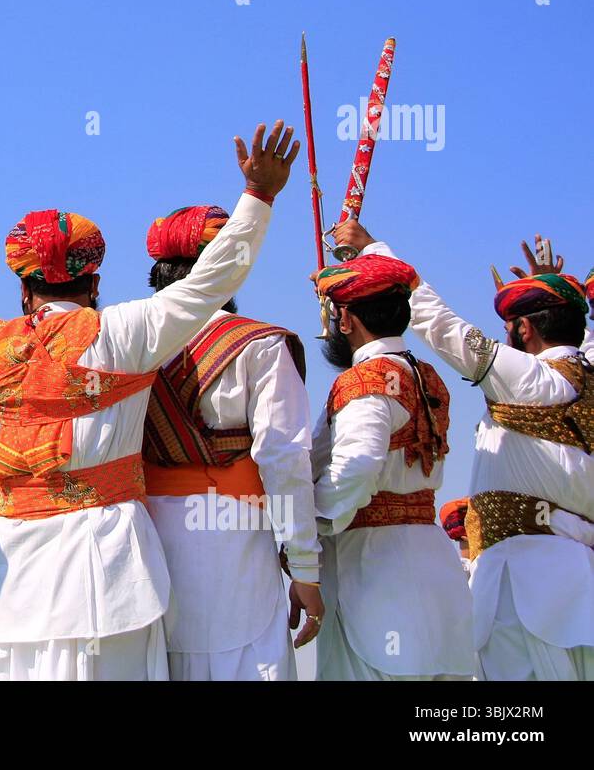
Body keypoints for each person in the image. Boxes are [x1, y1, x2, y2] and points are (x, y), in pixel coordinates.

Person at [0, 120, 299, 681]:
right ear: (94, 283)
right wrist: (258, 196)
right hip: (112, 582)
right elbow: (211, 281)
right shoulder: (124, 332)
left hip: (15, 587)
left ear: (23, 289)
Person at [345, 221, 593, 680]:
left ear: (523, 329)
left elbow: (441, 326)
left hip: (528, 588)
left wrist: (373, 251)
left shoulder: (533, 381)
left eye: (510, 327)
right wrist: (558, 290)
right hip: (579, 582)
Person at [141, 205, 322, 680]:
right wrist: (305, 567)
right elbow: (283, 458)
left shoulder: (129, 348)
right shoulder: (260, 346)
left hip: (146, 544)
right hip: (236, 541)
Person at [309, 251, 476, 680]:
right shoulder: (428, 376)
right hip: (429, 559)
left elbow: (357, 464)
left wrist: (307, 523)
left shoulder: (366, 380)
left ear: (346, 320)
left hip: (375, 566)